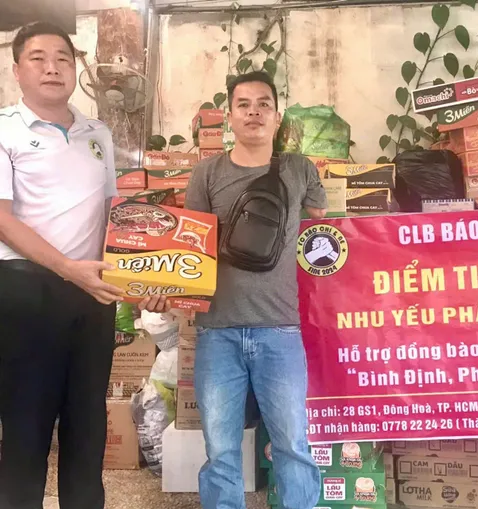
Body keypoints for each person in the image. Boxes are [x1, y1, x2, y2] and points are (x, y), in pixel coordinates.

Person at [0, 22, 166, 509]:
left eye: (63, 58)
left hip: (93, 294)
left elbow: (115, 217)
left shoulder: (98, 132)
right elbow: (2, 220)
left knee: (87, 423)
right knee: (26, 425)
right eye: (38, 58)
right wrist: (67, 268)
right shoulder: (4, 129)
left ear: (75, 69)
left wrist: (143, 279)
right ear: (17, 70)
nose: (52, 67)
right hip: (26, 292)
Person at [185, 71, 327, 509]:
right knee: (221, 452)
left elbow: (323, 223)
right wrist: (164, 291)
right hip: (217, 330)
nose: (254, 112)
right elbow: (189, 247)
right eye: (243, 104)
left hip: (280, 328)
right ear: (229, 116)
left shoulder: (300, 169)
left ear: (277, 117)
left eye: (264, 104)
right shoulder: (206, 173)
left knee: (293, 446)